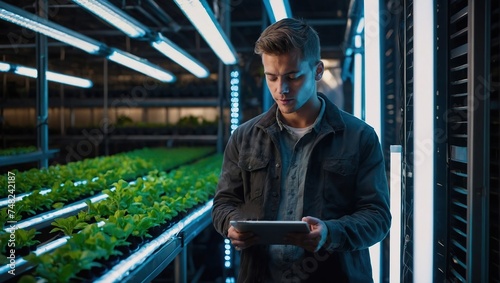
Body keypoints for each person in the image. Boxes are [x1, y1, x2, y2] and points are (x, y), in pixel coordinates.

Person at [211, 18, 391, 283]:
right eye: (271, 77)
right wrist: (232, 225)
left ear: (318, 71)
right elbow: (223, 204)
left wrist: (331, 232)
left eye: (293, 77)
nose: (280, 89)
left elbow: (377, 217)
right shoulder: (245, 137)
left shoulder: (359, 137)